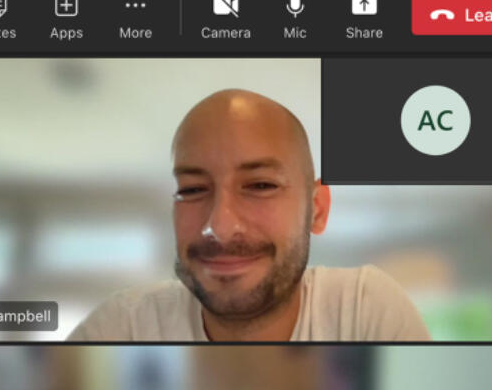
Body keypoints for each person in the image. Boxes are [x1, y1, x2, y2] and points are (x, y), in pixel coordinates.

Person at [70, 89, 430, 342]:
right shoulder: (124, 326)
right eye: (192, 189)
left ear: (317, 210)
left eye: (260, 185)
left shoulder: (365, 309)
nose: (220, 227)